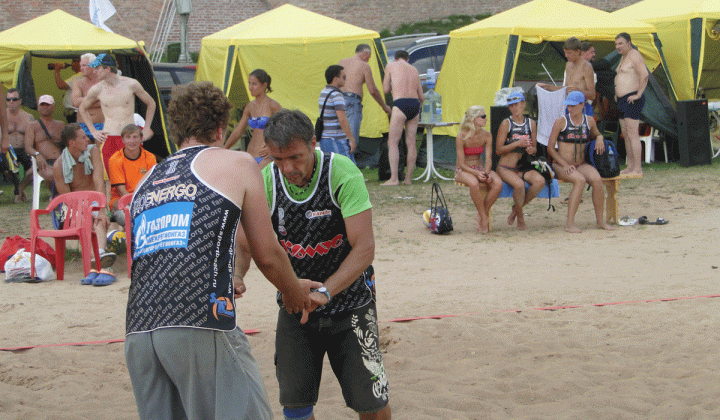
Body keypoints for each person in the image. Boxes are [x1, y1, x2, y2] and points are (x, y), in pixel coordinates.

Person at [124, 81, 318, 420]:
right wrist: (293, 291)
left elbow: (159, 254)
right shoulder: (237, 162)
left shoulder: (148, 178)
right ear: (219, 128)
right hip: (197, 318)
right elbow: (268, 253)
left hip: (139, 329)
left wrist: (229, 274)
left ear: (176, 128)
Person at [258, 109, 391, 420]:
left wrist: (325, 292)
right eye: (278, 159)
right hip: (296, 302)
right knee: (295, 406)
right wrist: (244, 275)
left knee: (370, 401)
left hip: (351, 301)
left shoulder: (341, 173)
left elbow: (364, 249)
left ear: (313, 143)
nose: (288, 168)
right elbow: (254, 245)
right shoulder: (267, 180)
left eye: (295, 157)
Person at [52, 123, 117, 273]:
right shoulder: (58, 165)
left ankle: (99, 254)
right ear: (72, 143)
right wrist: (85, 212)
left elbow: (99, 181)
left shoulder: (93, 151)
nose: (88, 139)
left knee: (100, 218)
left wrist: (101, 209)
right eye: (83, 137)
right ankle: (95, 258)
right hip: (72, 205)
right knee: (84, 220)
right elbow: (67, 199)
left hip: (94, 201)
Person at [547, 91, 614, 233]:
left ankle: (600, 221)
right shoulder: (561, 121)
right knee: (580, 181)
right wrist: (564, 164)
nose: (570, 109)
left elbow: (597, 133)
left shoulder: (589, 121)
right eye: (568, 106)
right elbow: (550, 148)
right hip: (561, 165)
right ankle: (569, 224)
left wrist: (600, 138)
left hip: (580, 164)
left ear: (583, 105)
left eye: (573, 106)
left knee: (597, 180)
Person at [79, 53, 156, 171]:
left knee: (135, 173)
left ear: (108, 69)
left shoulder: (131, 84)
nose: (94, 71)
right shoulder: (97, 89)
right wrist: (93, 131)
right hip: (109, 137)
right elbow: (82, 109)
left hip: (129, 137)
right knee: (111, 175)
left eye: (98, 68)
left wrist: (146, 128)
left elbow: (151, 103)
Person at [495, 92, 546, 231]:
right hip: (505, 167)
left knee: (540, 181)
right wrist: (516, 144)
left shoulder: (531, 123)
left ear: (523, 104)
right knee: (519, 185)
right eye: (511, 105)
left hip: (523, 167)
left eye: (516, 104)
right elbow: (498, 150)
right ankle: (520, 218)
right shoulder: (506, 123)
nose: (514, 108)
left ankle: (516, 209)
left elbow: (535, 148)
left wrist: (532, 150)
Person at [338, 44, 392, 159]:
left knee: (340, 136)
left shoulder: (341, 62)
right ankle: (348, 166)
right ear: (365, 53)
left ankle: (337, 164)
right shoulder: (364, 66)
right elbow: (373, 90)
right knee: (351, 139)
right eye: (369, 57)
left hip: (337, 100)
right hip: (352, 101)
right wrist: (384, 106)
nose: (368, 59)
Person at [453, 105, 502, 233]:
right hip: (464, 170)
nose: (486, 119)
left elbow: (489, 158)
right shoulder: (461, 136)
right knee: (474, 183)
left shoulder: (487, 135)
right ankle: (484, 218)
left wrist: (486, 171)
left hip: (480, 167)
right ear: (474, 119)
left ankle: (482, 214)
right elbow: (461, 164)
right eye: (483, 116)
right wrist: (476, 172)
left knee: (498, 183)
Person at [381, 50, 423, 186]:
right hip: (414, 104)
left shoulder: (390, 66)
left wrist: (394, 86)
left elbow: (385, 89)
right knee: (411, 142)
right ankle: (408, 179)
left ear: (395, 58)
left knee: (393, 142)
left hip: (400, 103)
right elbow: (421, 96)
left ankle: (394, 178)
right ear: (408, 59)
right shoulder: (414, 69)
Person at [223, 69, 281, 162]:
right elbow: (238, 131)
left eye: (254, 84)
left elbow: (284, 130)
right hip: (250, 154)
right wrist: (224, 148)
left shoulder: (273, 106)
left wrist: (272, 147)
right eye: (249, 83)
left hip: (265, 155)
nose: (250, 87)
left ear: (264, 85)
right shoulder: (249, 107)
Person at [107, 123, 156, 228]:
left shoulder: (150, 157)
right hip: (122, 200)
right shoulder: (115, 159)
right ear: (123, 140)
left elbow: (152, 184)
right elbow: (121, 190)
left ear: (141, 139)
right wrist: (138, 205)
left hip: (145, 198)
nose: (132, 141)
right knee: (133, 220)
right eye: (128, 137)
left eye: (135, 137)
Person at [614, 32, 649, 175]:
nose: (618, 46)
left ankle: (637, 168)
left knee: (633, 134)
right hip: (622, 99)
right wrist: (617, 93)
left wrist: (638, 94)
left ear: (629, 43)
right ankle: (630, 166)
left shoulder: (634, 55)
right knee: (626, 134)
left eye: (620, 43)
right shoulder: (624, 56)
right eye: (616, 44)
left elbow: (644, 74)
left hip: (632, 98)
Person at [537, 37, 596, 116]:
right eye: (565, 52)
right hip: (569, 107)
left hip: (582, 107)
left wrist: (579, 91)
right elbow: (566, 89)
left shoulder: (586, 67)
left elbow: (592, 95)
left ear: (578, 51)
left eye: (569, 53)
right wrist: (548, 87)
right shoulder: (568, 64)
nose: (566, 55)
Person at [317, 65, 356, 163]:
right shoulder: (337, 95)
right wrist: (351, 139)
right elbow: (342, 119)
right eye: (344, 77)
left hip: (324, 138)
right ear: (335, 79)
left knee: (332, 167)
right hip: (336, 139)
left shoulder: (323, 92)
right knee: (347, 166)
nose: (345, 79)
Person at [25, 95, 65, 182]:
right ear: (38, 107)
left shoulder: (61, 125)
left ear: (53, 107)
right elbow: (28, 147)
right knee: (50, 174)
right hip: (43, 162)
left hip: (60, 160)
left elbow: (67, 145)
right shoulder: (32, 125)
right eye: (42, 104)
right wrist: (37, 154)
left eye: (47, 105)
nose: (44, 107)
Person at [5, 88, 34, 202]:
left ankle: (20, 189)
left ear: (20, 101)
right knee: (5, 167)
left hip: (25, 149)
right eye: (8, 99)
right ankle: (18, 189)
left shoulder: (28, 117)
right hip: (8, 149)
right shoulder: (2, 117)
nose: (11, 102)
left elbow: (33, 137)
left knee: (36, 168)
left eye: (14, 99)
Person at [71, 53, 104, 141]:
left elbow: (106, 101)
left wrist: (85, 102)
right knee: (84, 149)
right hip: (82, 124)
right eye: (80, 66)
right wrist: (95, 98)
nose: (81, 68)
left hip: (102, 124)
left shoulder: (104, 82)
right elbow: (75, 102)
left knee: (100, 148)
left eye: (84, 65)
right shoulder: (78, 82)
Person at [52, 57, 82, 123]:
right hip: (75, 111)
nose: (72, 63)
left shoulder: (80, 75)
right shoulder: (79, 75)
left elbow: (61, 85)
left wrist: (57, 70)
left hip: (75, 111)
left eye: (74, 61)